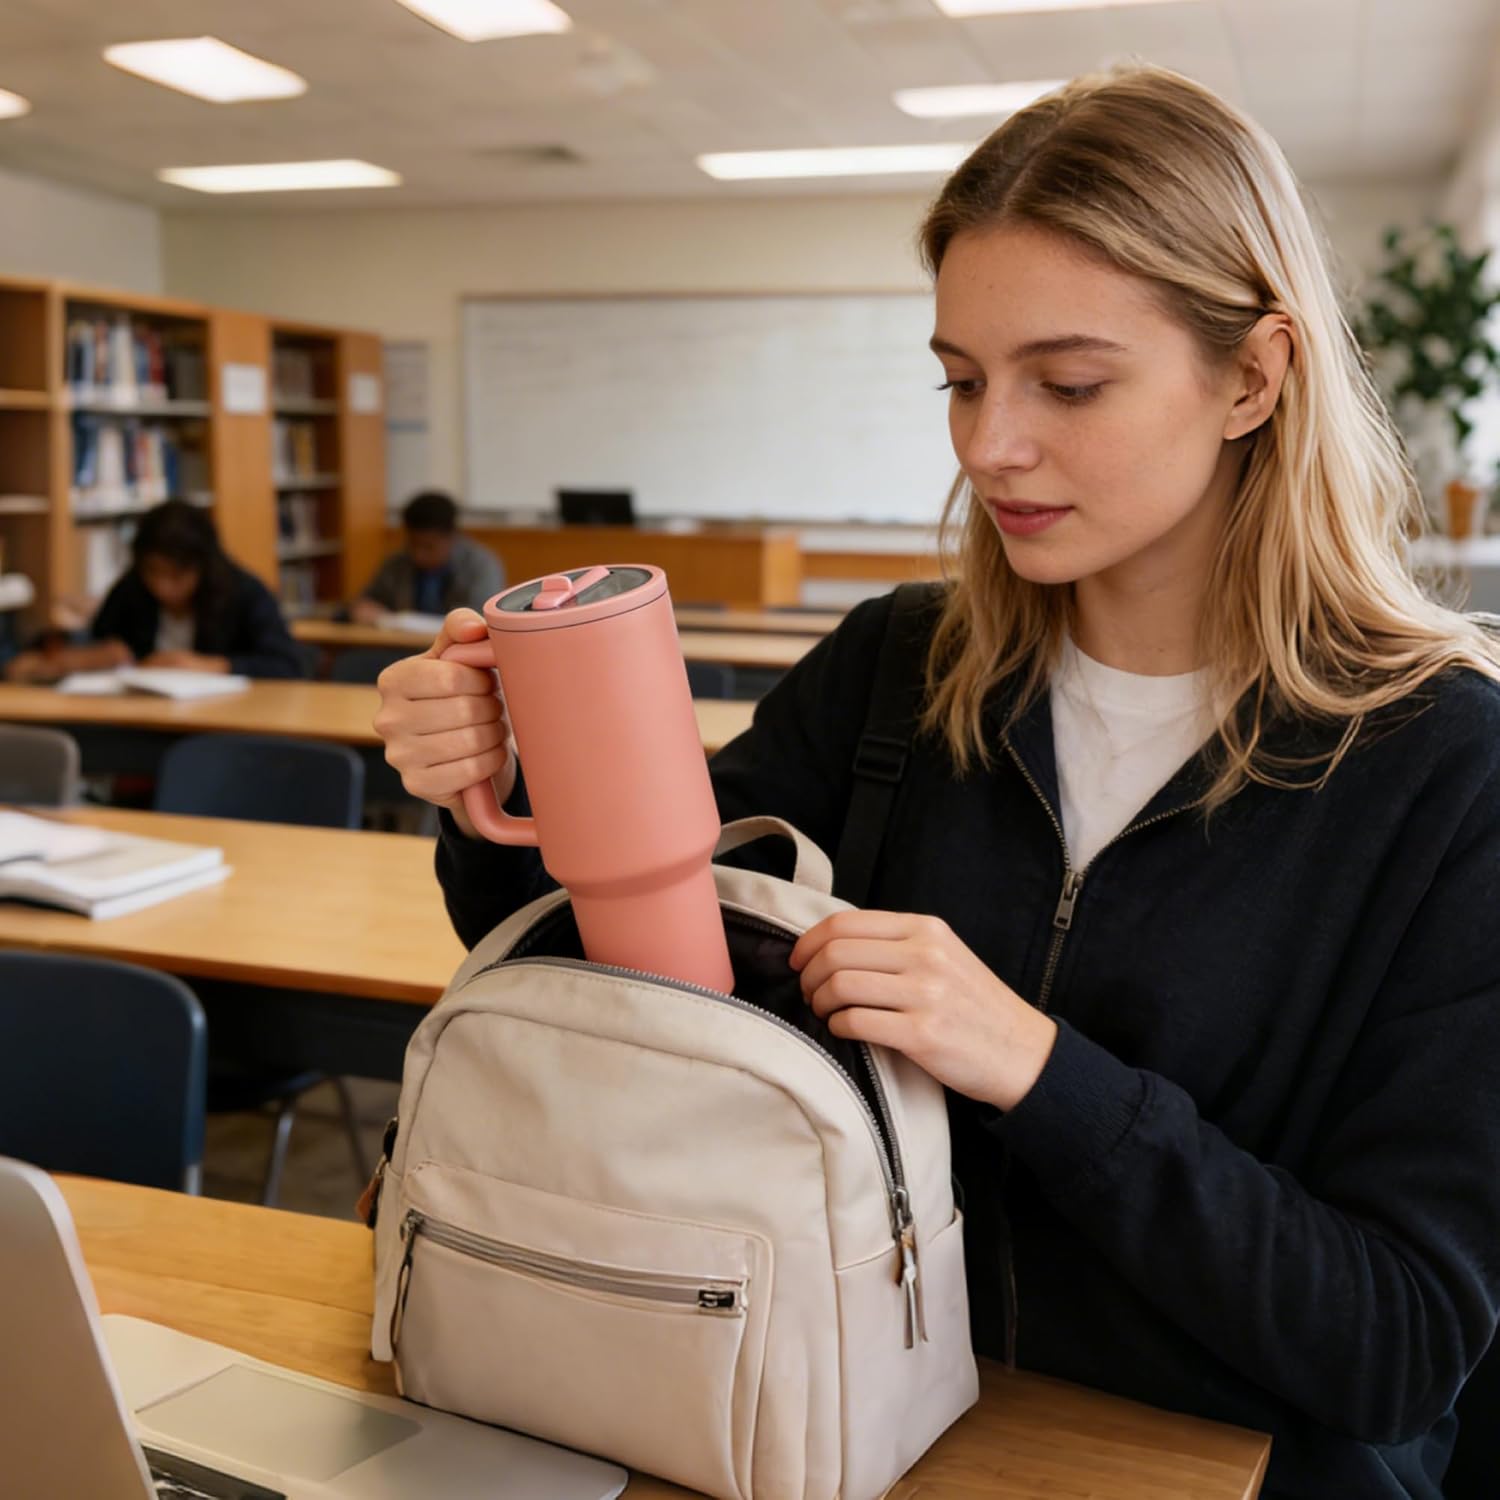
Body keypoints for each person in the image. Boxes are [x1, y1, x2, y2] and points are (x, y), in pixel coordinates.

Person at [369, 65, 1500, 1500]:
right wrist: (498, 790)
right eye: (962, 381)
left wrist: (1039, 1069)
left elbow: (1397, 1348)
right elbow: (634, 991)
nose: (988, 446)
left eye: (1068, 384)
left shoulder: (1448, 773)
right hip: (854, 1422)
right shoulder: (898, 671)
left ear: (1254, 377)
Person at [3, 499, 302, 682]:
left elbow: (288, 665)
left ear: (202, 566)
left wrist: (211, 665)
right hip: (140, 717)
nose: (162, 586)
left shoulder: (244, 593)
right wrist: (81, 657)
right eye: (153, 573)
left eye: (176, 575)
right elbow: (102, 639)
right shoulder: (132, 589)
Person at [350, 490, 504, 624]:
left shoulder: (481, 566)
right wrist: (364, 609)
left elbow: (480, 618)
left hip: (457, 649)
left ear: (452, 537)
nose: (419, 555)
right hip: (399, 646)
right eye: (413, 544)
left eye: (428, 547)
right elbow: (367, 600)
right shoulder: (397, 562)